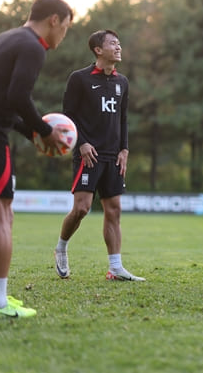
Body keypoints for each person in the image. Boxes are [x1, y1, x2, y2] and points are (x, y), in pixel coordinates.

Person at [0, 0, 73, 318]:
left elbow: (2, 100)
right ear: (53, 20)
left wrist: (31, 131)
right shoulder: (33, 46)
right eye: (64, 28)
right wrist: (45, 131)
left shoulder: (5, 38)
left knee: (3, 211)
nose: (62, 36)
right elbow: (18, 95)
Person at [54, 29, 144, 282]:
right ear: (98, 49)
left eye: (119, 43)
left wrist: (124, 149)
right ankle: (61, 247)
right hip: (88, 155)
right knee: (81, 209)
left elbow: (123, 119)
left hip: (113, 156)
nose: (119, 47)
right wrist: (81, 144)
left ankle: (115, 268)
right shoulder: (79, 79)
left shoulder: (122, 82)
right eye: (113, 43)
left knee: (114, 209)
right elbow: (67, 117)